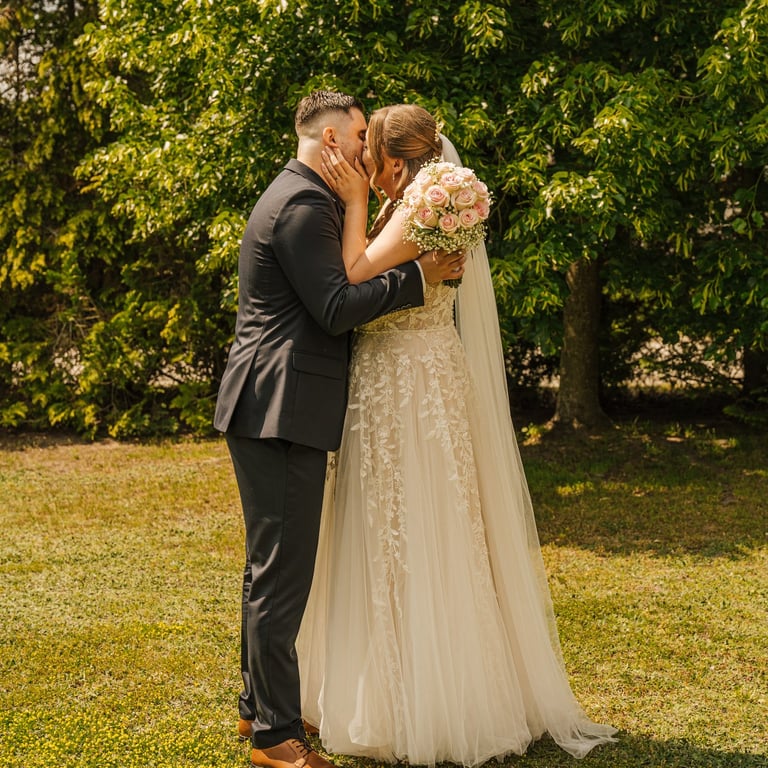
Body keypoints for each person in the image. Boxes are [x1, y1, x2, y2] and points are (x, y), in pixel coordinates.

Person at [296, 104, 618, 766]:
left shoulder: (426, 200)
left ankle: (429, 702)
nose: (362, 165)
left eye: (368, 155)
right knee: (392, 527)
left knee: (418, 524)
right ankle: (392, 685)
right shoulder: (418, 198)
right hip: (405, 373)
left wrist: (354, 202)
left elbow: (354, 274)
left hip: (409, 381)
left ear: (392, 161)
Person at [214, 92, 466, 768]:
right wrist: (419, 276)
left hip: (277, 404)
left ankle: (256, 708)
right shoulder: (302, 205)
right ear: (330, 140)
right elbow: (334, 306)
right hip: (280, 408)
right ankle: (276, 738)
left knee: (270, 568)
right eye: (358, 138)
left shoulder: (305, 196)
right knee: (282, 573)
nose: (365, 151)